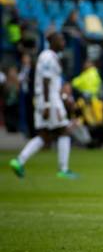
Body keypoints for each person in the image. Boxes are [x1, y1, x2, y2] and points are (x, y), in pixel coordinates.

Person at [9, 33, 78, 179]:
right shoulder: (48, 57)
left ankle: (19, 161)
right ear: (52, 41)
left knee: (44, 135)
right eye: (61, 39)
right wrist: (47, 104)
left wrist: (62, 97)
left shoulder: (48, 56)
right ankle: (63, 170)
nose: (64, 42)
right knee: (64, 131)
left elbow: (52, 81)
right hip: (50, 100)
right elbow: (46, 82)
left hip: (45, 99)